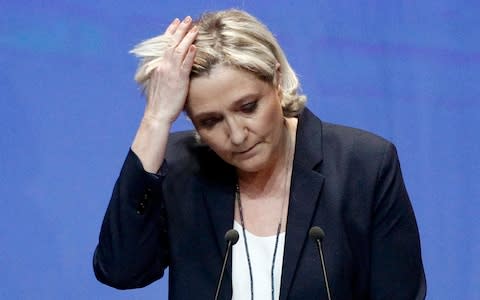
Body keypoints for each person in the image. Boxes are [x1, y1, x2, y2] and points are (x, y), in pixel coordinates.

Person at [93, 9, 426, 300]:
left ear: (277, 81)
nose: (237, 135)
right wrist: (155, 119)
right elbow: (120, 270)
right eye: (210, 121)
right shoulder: (182, 168)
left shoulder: (363, 165)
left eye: (248, 107)